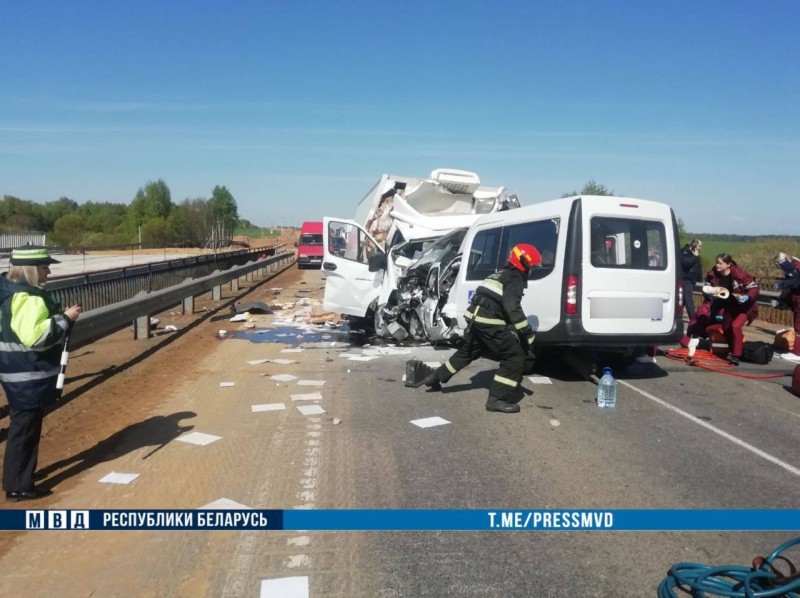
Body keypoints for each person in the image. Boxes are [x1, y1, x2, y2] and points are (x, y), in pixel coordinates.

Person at [0, 246, 82, 501]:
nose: (48, 272)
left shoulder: (9, 292)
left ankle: (19, 478)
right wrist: (65, 319)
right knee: (25, 430)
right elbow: (36, 337)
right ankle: (19, 486)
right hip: (27, 374)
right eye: (45, 267)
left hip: (15, 370)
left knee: (23, 427)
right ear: (32, 270)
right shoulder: (28, 297)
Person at [422, 243, 542, 413]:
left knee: (467, 353)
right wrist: (527, 333)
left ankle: (435, 377)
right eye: (532, 267)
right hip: (489, 323)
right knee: (514, 357)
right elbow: (512, 308)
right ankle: (497, 399)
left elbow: (496, 302)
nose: (532, 270)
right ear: (523, 263)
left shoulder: (497, 275)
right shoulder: (515, 279)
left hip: (475, 320)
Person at [687, 253, 759, 365]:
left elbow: (754, 288)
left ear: (728, 264)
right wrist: (710, 293)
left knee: (735, 326)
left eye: (720, 263)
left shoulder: (740, 275)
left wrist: (748, 297)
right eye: (717, 262)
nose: (717, 265)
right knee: (727, 328)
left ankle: (736, 355)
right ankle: (733, 350)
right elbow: (707, 288)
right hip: (729, 306)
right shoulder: (713, 275)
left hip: (744, 307)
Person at [772, 252, 800, 359]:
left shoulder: (796, 269)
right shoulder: (794, 270)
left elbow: (796, 282)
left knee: (798, 328)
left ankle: (797, 353)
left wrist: (782, 284)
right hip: (796, 301)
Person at [680, 239, 703, 320]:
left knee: (683, 300)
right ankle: (694, 320)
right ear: (694, 246)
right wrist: (695, 256)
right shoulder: (684, 252)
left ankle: (677, 316)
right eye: (700, 246)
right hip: (685, 280)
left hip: (691, 280)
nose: (701, 248)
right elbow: (686, 263)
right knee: (688, 300)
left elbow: (699, 266)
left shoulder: (696, 253)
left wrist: (700, 279)